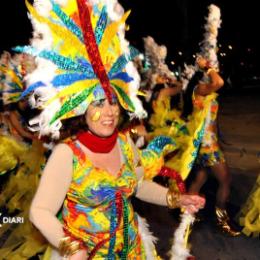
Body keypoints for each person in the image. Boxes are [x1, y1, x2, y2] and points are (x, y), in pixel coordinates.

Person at [16, 0, 206, 259]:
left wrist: (176, 199)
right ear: (81, 108)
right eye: (98, 103)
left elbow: (137, 185)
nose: (109, 112)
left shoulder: (124, 143)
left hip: (131, 249)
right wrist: (71, 247)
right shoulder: (68, 154)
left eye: (114, 102)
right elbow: (40, 211)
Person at [185, 56, 240, 236]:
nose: (215, 70)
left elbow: (211, 121)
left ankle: (187, 217)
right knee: (225, 180)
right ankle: (222, 221)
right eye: (212, 68)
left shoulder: (206, 92)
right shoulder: (200, 88)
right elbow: (219, 82)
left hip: (208, 144)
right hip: (207, 147)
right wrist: (206, 66)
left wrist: (219, 139)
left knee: (199, 180)